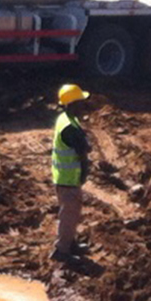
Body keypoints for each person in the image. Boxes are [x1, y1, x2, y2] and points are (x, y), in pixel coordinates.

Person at [50, 84, 94, 262]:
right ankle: (62, 251)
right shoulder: (70, 128)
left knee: (71, 213)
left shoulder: (64, 119)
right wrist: (84, 174)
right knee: (69, 215)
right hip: (69, 179)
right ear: (72, 104)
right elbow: (83, 151)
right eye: (81, 102)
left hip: (62, 177)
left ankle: (70, 243)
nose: (84, 105)